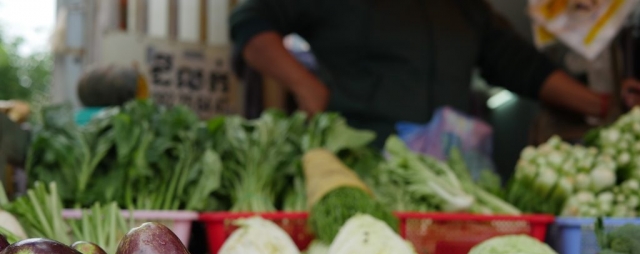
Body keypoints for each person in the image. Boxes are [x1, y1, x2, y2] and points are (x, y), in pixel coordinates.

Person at [229, 0, 612, 149]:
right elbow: (250, 22)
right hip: (359, 154)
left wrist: (602, 105)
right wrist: (304, 86)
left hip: (449, 172)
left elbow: (521, 65)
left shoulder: (466, 8)